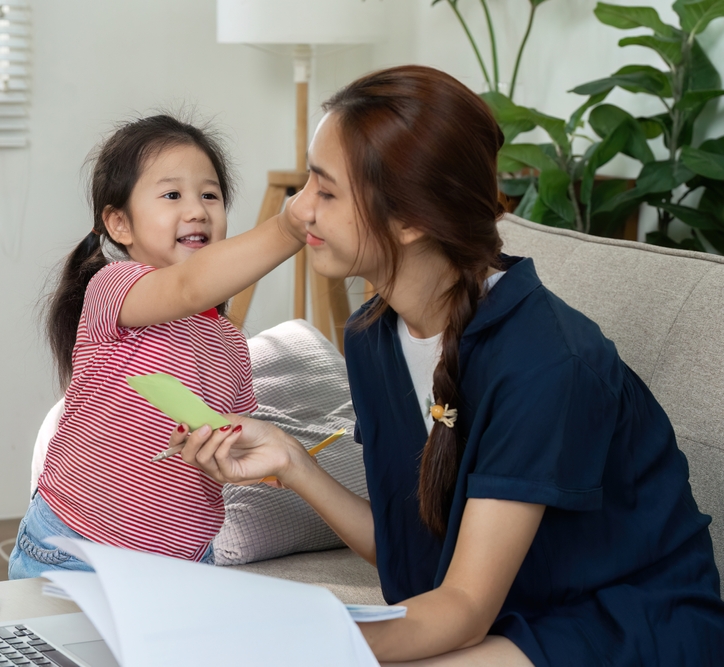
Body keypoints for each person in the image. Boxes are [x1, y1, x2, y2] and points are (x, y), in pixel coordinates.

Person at [169, 67, 724, 665]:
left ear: (411, 221)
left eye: (326, 192)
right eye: (308, 181)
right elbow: (412, 555)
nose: (299, 210)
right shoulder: (371, 338)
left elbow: (461, 606)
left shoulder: (547, 362)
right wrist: (293, 462)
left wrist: (292, 644)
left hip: (625, 621)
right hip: (512, 608)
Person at [8, 114, 305, 578]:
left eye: (210, 195)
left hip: (185, 564)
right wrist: (289, 227)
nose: (197, 210)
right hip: (76, 548)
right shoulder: (116, 286)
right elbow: (189, 288)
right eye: (172, 195)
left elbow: (232, 440)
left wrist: (241, 455)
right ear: (120, 224)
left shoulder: (230, 341)